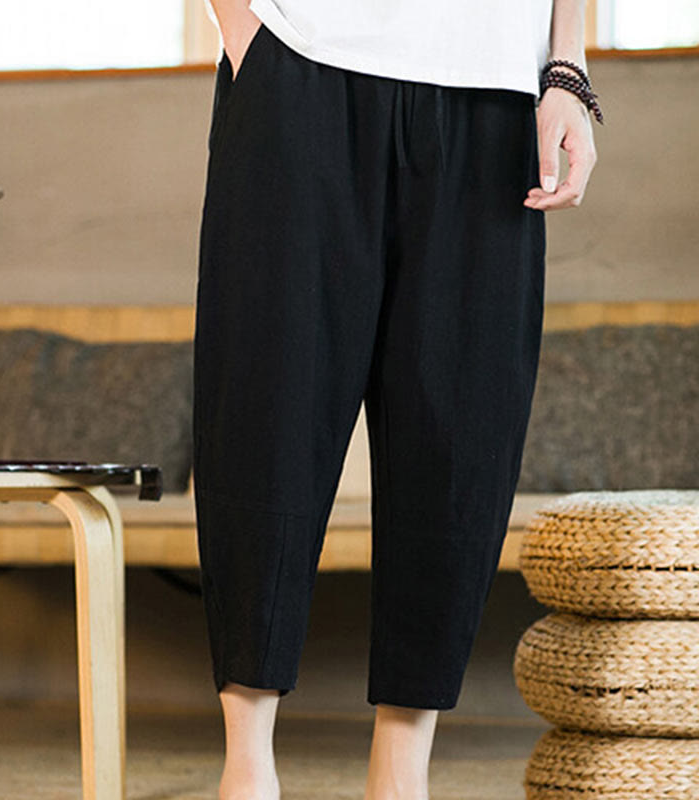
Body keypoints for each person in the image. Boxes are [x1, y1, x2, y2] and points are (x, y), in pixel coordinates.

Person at [193, 1, 599, 798]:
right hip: (301, 60)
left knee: (461, 428)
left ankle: (401, 775)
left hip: (492, 87)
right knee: (267, 406)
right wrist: (244, 32)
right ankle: (246, 766)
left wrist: (567, 72)